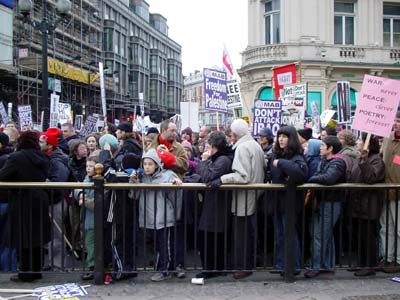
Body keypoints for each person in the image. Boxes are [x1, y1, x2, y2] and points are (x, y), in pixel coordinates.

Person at [211, 119, 264, 280]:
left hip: (244, 196)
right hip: (252, 194)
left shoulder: (242, 147)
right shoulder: (254, 144)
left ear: (234, 135)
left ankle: (243, 266)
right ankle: (247, 264)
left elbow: (243, 176)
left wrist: (222, 179)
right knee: (248, 233)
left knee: (243, 235)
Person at [0, 131, 50, 282]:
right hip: (39, 199)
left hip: (22, 200)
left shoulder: (16, 157)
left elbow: (2, 176)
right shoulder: (42, 156)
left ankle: (25, 272)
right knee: (36, 237)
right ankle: (36, 270)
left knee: (23, 237)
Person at [133, 148, 182, 281]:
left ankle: (165, 270)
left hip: (164, 215)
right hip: (149, 216)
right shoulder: (141, 177)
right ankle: (166, 267)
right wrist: (133, 181)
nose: (147, 167)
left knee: (164, 244)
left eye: (150, 164)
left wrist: (176, 212)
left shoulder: (168, 175)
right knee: (158, 244)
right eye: (145, 164)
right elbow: (134, 195)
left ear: (157, 164)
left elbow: (176, 196)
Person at [305, 136, 346, 278]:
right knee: (324, 235)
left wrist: (312, 179)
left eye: (323, 145)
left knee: (320, 235)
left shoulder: (338, 162)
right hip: (323, 201)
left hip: (331, 202)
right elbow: (320, 175)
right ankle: (327, 265)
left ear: (330, 148)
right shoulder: (324, 161)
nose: (320, 147)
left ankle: (316, 266)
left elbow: (328, 178)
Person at [269, 126, 308, 276]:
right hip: (278, 200)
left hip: (290, 201)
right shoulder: (276, 154)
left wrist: (281, 163)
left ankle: (293, 265)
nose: (281, 139)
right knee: (279, 234)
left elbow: (300, 173)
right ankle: (280, 264)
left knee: (289, 234)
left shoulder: (296, 156)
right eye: (279, 136)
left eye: (285, 136)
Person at [195, 131, 234, 279]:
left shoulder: (222, 160)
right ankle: (212, 268)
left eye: (208, 145)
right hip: (213, 203)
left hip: (217, 205)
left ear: (215, 147)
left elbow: (207, 176)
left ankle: (212, 269)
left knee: (210, 237)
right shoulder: (219, 158)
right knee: (209, 237)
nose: (205, 148)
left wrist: (203, 161)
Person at [349, 133, 385, 276]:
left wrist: (364, 161)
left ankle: (370, 265)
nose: (357, 142)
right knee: (359, 235)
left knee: (368, 236)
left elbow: (370, 178)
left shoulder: (376, 160)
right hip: (358, 203)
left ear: (367, 144)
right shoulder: (360, 159)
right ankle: (362, 263)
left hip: (369, 204)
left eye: (360, 140)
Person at [39, 128, 70, 270]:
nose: (38, 144)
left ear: (50, 144)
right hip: (48, 199)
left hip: (55, 200)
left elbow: (59, 181)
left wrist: (45, 182)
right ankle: (50, 262)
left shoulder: (57, 160)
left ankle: (58, 264)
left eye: (41, 141)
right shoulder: (44, 157)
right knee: (49, 233)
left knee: (57, 234)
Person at [379, 112, 400, 273]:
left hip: (398, 191)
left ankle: (398, 259)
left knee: (399, 229)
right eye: (394, 120)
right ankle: (387, 257)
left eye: (398, 121)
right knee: (386, 227)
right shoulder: (387, 138)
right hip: (386, 190)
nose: (395, 123)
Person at [75, 155, 99, 280]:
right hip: (86, 217)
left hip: (93, 219)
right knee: (88, 243)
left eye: (91, 166)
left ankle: (92, 267)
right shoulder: (87, 178)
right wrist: (80, 195)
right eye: (87, 166)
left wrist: (84, 200)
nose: (88, 169)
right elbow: (78, 188)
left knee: (91, 244)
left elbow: (95, 203)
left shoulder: (98, 180)